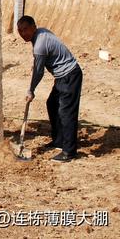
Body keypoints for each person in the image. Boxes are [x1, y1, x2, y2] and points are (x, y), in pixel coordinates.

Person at [17, 15, 83, 162]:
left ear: (34, 27)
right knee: (52, 104)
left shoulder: (40, 44)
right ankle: (59, 140)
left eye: (25, 30)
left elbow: (39, 72)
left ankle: (69, 151)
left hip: (69, 76)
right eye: (20, 31)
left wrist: (31, 90)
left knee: (66, 113)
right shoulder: (41, 33)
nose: (23, 34)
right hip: (62, 77)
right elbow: (39, 63)